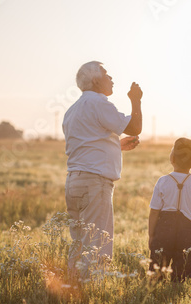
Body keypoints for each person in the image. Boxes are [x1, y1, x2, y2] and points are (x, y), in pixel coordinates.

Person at [63, 61, 142, 279]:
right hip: (95, 184)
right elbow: (135, 127)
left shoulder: (72, 111)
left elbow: (87, 145)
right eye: (106, 73)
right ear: (96, 80)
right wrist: (136, 100)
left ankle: (72, 286)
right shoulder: (100, 104)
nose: (111, 78)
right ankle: (91, 292)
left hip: (74, 182)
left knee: (79, 241)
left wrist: (117, 145)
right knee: (97, 243)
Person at [148, 137, 191, 282]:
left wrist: (152, 235)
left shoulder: (162, 181)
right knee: (182, 273)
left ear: (172, 158)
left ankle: (156, 293)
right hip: (187, 231)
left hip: (163, 230)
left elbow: (154, 212)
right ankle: (177, 293)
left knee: (157, 270)